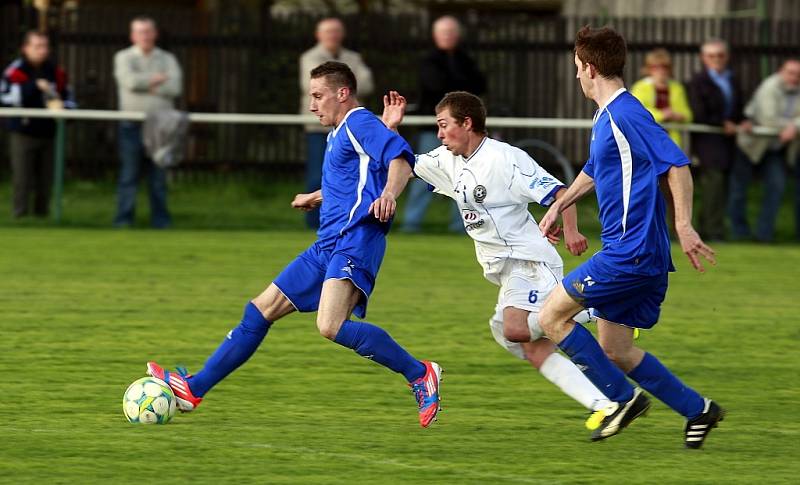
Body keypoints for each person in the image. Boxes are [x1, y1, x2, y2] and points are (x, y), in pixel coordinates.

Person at [146, 62, 442, 428]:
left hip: (355, 239)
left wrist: (389, 195)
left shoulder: (358, 122)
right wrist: (318, 196)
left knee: (331, 326)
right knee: (260, 310)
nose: (312, 105)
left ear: (342, 93)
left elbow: (400, 160)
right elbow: (359, 176)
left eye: (318, 96)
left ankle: (420, 373)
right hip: (326, 246)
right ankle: (193, 389)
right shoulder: (342, 131)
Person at [536, 26, 723, 448]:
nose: (577, 77)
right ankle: (700, 410)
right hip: (639, 252)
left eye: (577, 69)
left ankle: (621, 400)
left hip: (631, 252)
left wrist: (684, 224)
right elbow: (594, 168)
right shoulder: (606, 116)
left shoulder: (626, 113)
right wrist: (559, 205)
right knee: (616, 349)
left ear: (589, 67)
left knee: (550, 318)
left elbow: (676, 164)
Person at [382, 90, 614, 425]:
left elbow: (561, 192)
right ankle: (602, 403)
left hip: (530, 261)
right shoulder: (447, 161)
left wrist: (572, 230)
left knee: (520, 328)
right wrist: (391, 128)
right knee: (526, 342)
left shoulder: (505, 160)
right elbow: (403, 162)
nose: (439, 133)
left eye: (445, 125)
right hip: (506, 270)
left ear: (467, 123)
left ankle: (597, 311)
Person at [401, 15, 486, 233]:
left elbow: (480, 84)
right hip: (433, 130)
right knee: (423, 173)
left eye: (450, 32)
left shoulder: (466, 60)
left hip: (464, 132)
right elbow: (436, 86)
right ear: (435, 35)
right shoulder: (429, 60)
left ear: (457, 35)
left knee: (464, 177)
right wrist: (461, 88)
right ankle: (412, 223)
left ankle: (463, 224)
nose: (447, 36)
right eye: (443, 32)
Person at [299, 17, 374, 229]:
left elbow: (367, 84)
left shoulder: (354, 57)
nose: (332, 36)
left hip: (348, 127)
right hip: (318, 127)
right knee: (318, 176)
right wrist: (345, 79)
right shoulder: (309, 57)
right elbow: (312, 86)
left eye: (336, 31)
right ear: (318, 35)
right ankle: (315, 224)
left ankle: (345, 221)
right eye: (327, 32)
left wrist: (336, 82)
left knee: (351, 177)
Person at [113, 16, 182, 228]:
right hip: (131, 124)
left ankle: (161, 221)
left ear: (155, 34)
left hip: (162, 127)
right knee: (129, 176)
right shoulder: (123, 57)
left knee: (158, 179)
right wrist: (156, 79)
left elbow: (175, 88)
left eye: (148, 31)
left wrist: (145, 83)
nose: (145, 35)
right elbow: (129, 82)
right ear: (133, 35)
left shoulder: (168, 58)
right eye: (140, 32)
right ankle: (124, 221)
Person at [1, 30, 74, 218]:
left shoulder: (56, 71)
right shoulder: (15, 70)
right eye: (37, 46)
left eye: (45, 46)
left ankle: (43, 216)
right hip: (23, 131)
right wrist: (33, 86)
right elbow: (5, 98)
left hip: (49, 131)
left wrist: (64, 108)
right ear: (26, 48)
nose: (42, 51)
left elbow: (69, 98)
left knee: (46, 179)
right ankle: (20, 216)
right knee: (22, 178)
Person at [734, 59, 800, 243]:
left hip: (775, 148)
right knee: (739, 191)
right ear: (781, 71)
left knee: (776, 187)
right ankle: (739, 233)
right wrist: (793, 126)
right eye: (791, 73)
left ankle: (764, 234)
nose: (794, 78)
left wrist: (794, 126)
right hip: (750, 145)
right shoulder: (769, 86)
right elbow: (768, 119)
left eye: (798, 74)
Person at [687, 39, 747, 241]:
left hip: (729, 140)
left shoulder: (732, 79)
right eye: (711, 55)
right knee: (714, 183)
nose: (716, 59)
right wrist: (724, 123)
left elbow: (738, 108)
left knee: (723, 187)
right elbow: (698, 112)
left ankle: (710, 228)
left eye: (720, 55)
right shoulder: (698, 81)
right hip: (708, 140)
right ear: (704, 58)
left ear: (727, 57)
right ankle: (713, 231)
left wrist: (743, 121)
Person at [630, 48, 692, 148]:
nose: (661, 71)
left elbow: (687, 114)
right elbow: (637, 112)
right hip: (646, 139)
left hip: (671, 141)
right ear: (648, 69)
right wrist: (662, 115)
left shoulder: (677, 88)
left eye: (665, 67)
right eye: (655, 67)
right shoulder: (640, 87)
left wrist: (679, 116)